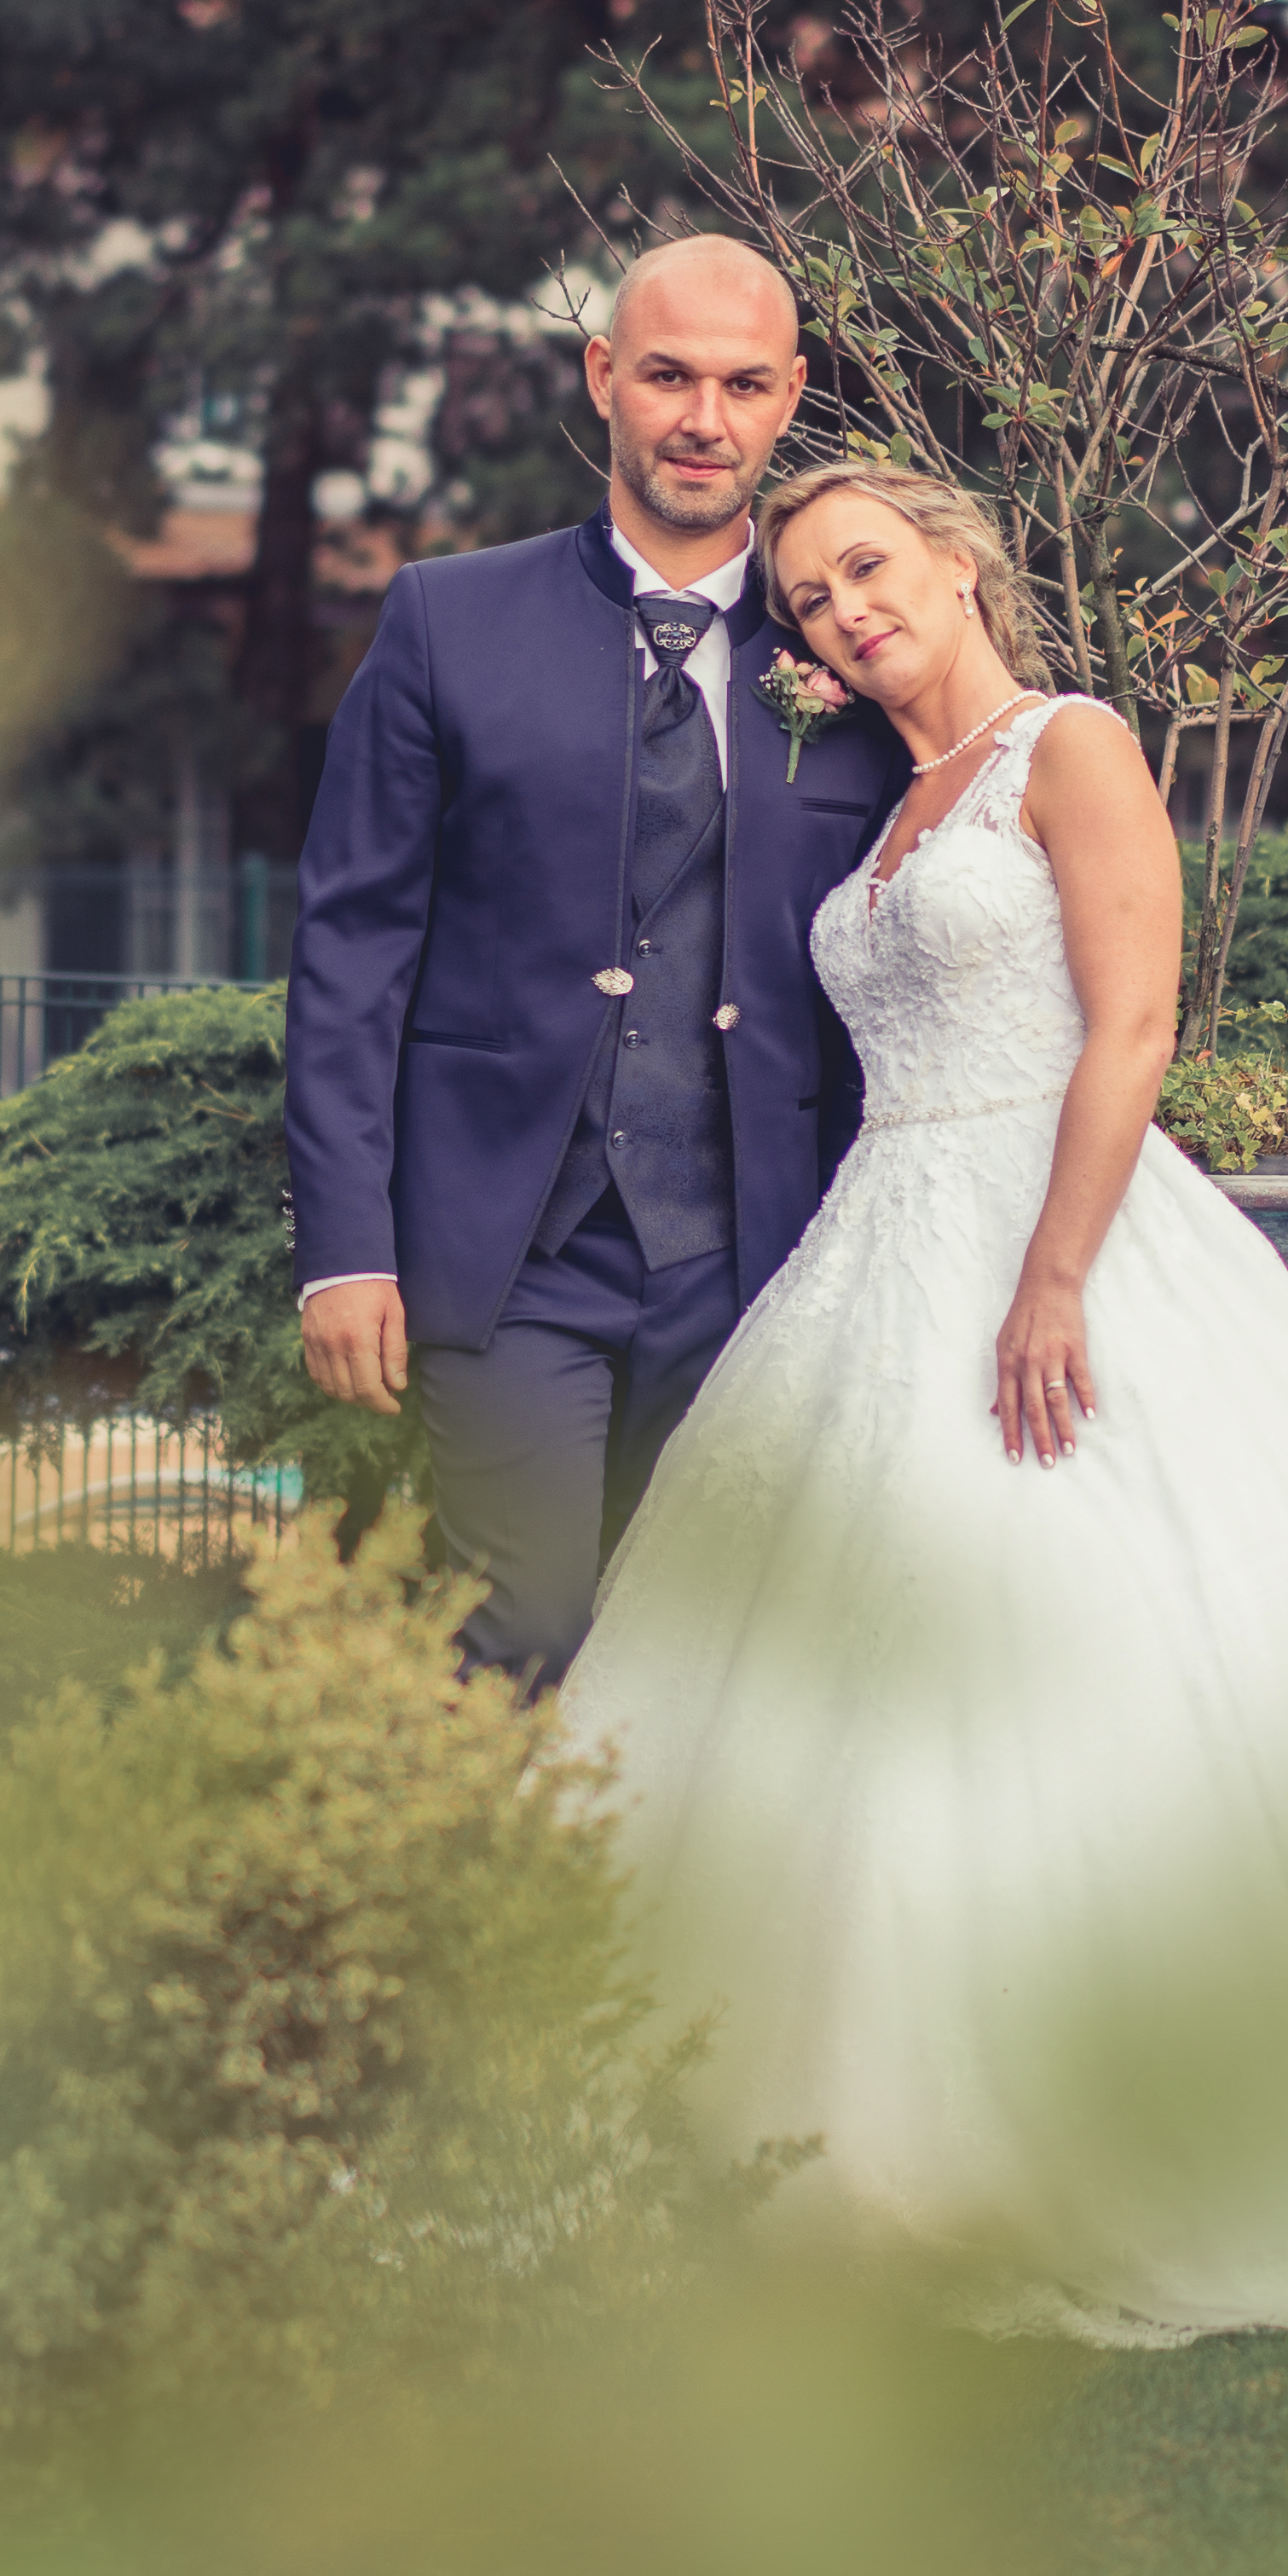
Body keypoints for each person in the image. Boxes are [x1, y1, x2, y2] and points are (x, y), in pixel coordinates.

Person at [557, 456, 1288, 2344]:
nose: (845, 611)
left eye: (866, 567)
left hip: (1061, 1229)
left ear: (958, 558)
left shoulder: (1072, 744)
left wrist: (1054, 1274)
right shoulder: (882, 807)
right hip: (881, 1242)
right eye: (808, 601)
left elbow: (1134, 1024)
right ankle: (808, 2102)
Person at [281, 235, 912, 1692]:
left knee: (705, 1665)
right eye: (670, 377)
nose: (705, 419)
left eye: (743, 385)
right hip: (511, 1251)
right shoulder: (447, 621)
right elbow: (352, 951)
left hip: (759, 1258)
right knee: (528, 1629)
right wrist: (346, 1248)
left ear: (790, 395)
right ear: (603, 378)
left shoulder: (850, 652)